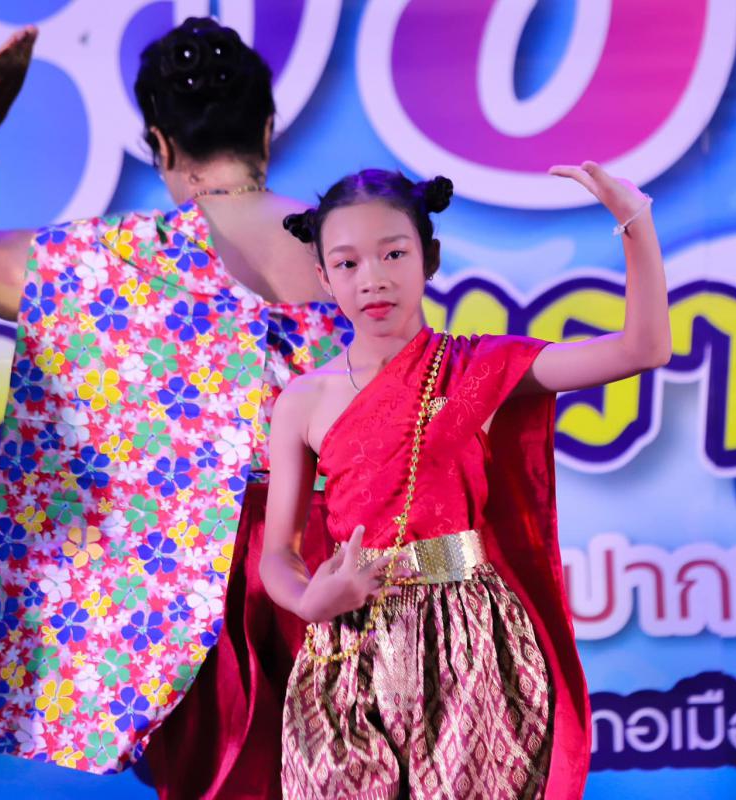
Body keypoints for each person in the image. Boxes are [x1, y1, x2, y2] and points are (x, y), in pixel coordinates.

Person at [0, 19, 344, 797]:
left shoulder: (106, 264)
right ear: (265, 127)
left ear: (158, 144)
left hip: (193, 597)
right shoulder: (359, 250)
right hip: (344, 569)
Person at [259, 166, 671, 798]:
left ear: (430, 258)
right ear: (323, 277)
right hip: (346, 644)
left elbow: (643, 348)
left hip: (467, 644)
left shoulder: (478, 367)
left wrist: (634, 220)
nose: (372, 278)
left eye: (394, 254)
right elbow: (278, 556)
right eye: (346, 263)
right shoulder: (302, 401)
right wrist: (310, 602)